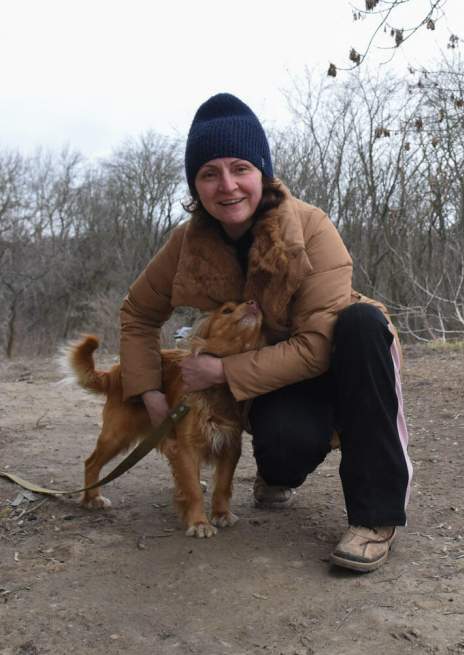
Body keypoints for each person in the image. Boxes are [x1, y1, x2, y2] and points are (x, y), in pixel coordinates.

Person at [118, 92, 411, 573]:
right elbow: (136, 314)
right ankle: (277, 474)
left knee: (362, 324)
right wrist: (149, 391)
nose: (227, 185)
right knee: (282, 448)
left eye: (240, 168)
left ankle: (374, 520)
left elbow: (317, 346)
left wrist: (220, 369)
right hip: (269, 379)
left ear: (263, 173)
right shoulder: (186, 244)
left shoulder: (311, 227)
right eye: (209, 172)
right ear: (195, 184)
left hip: (343, 362)